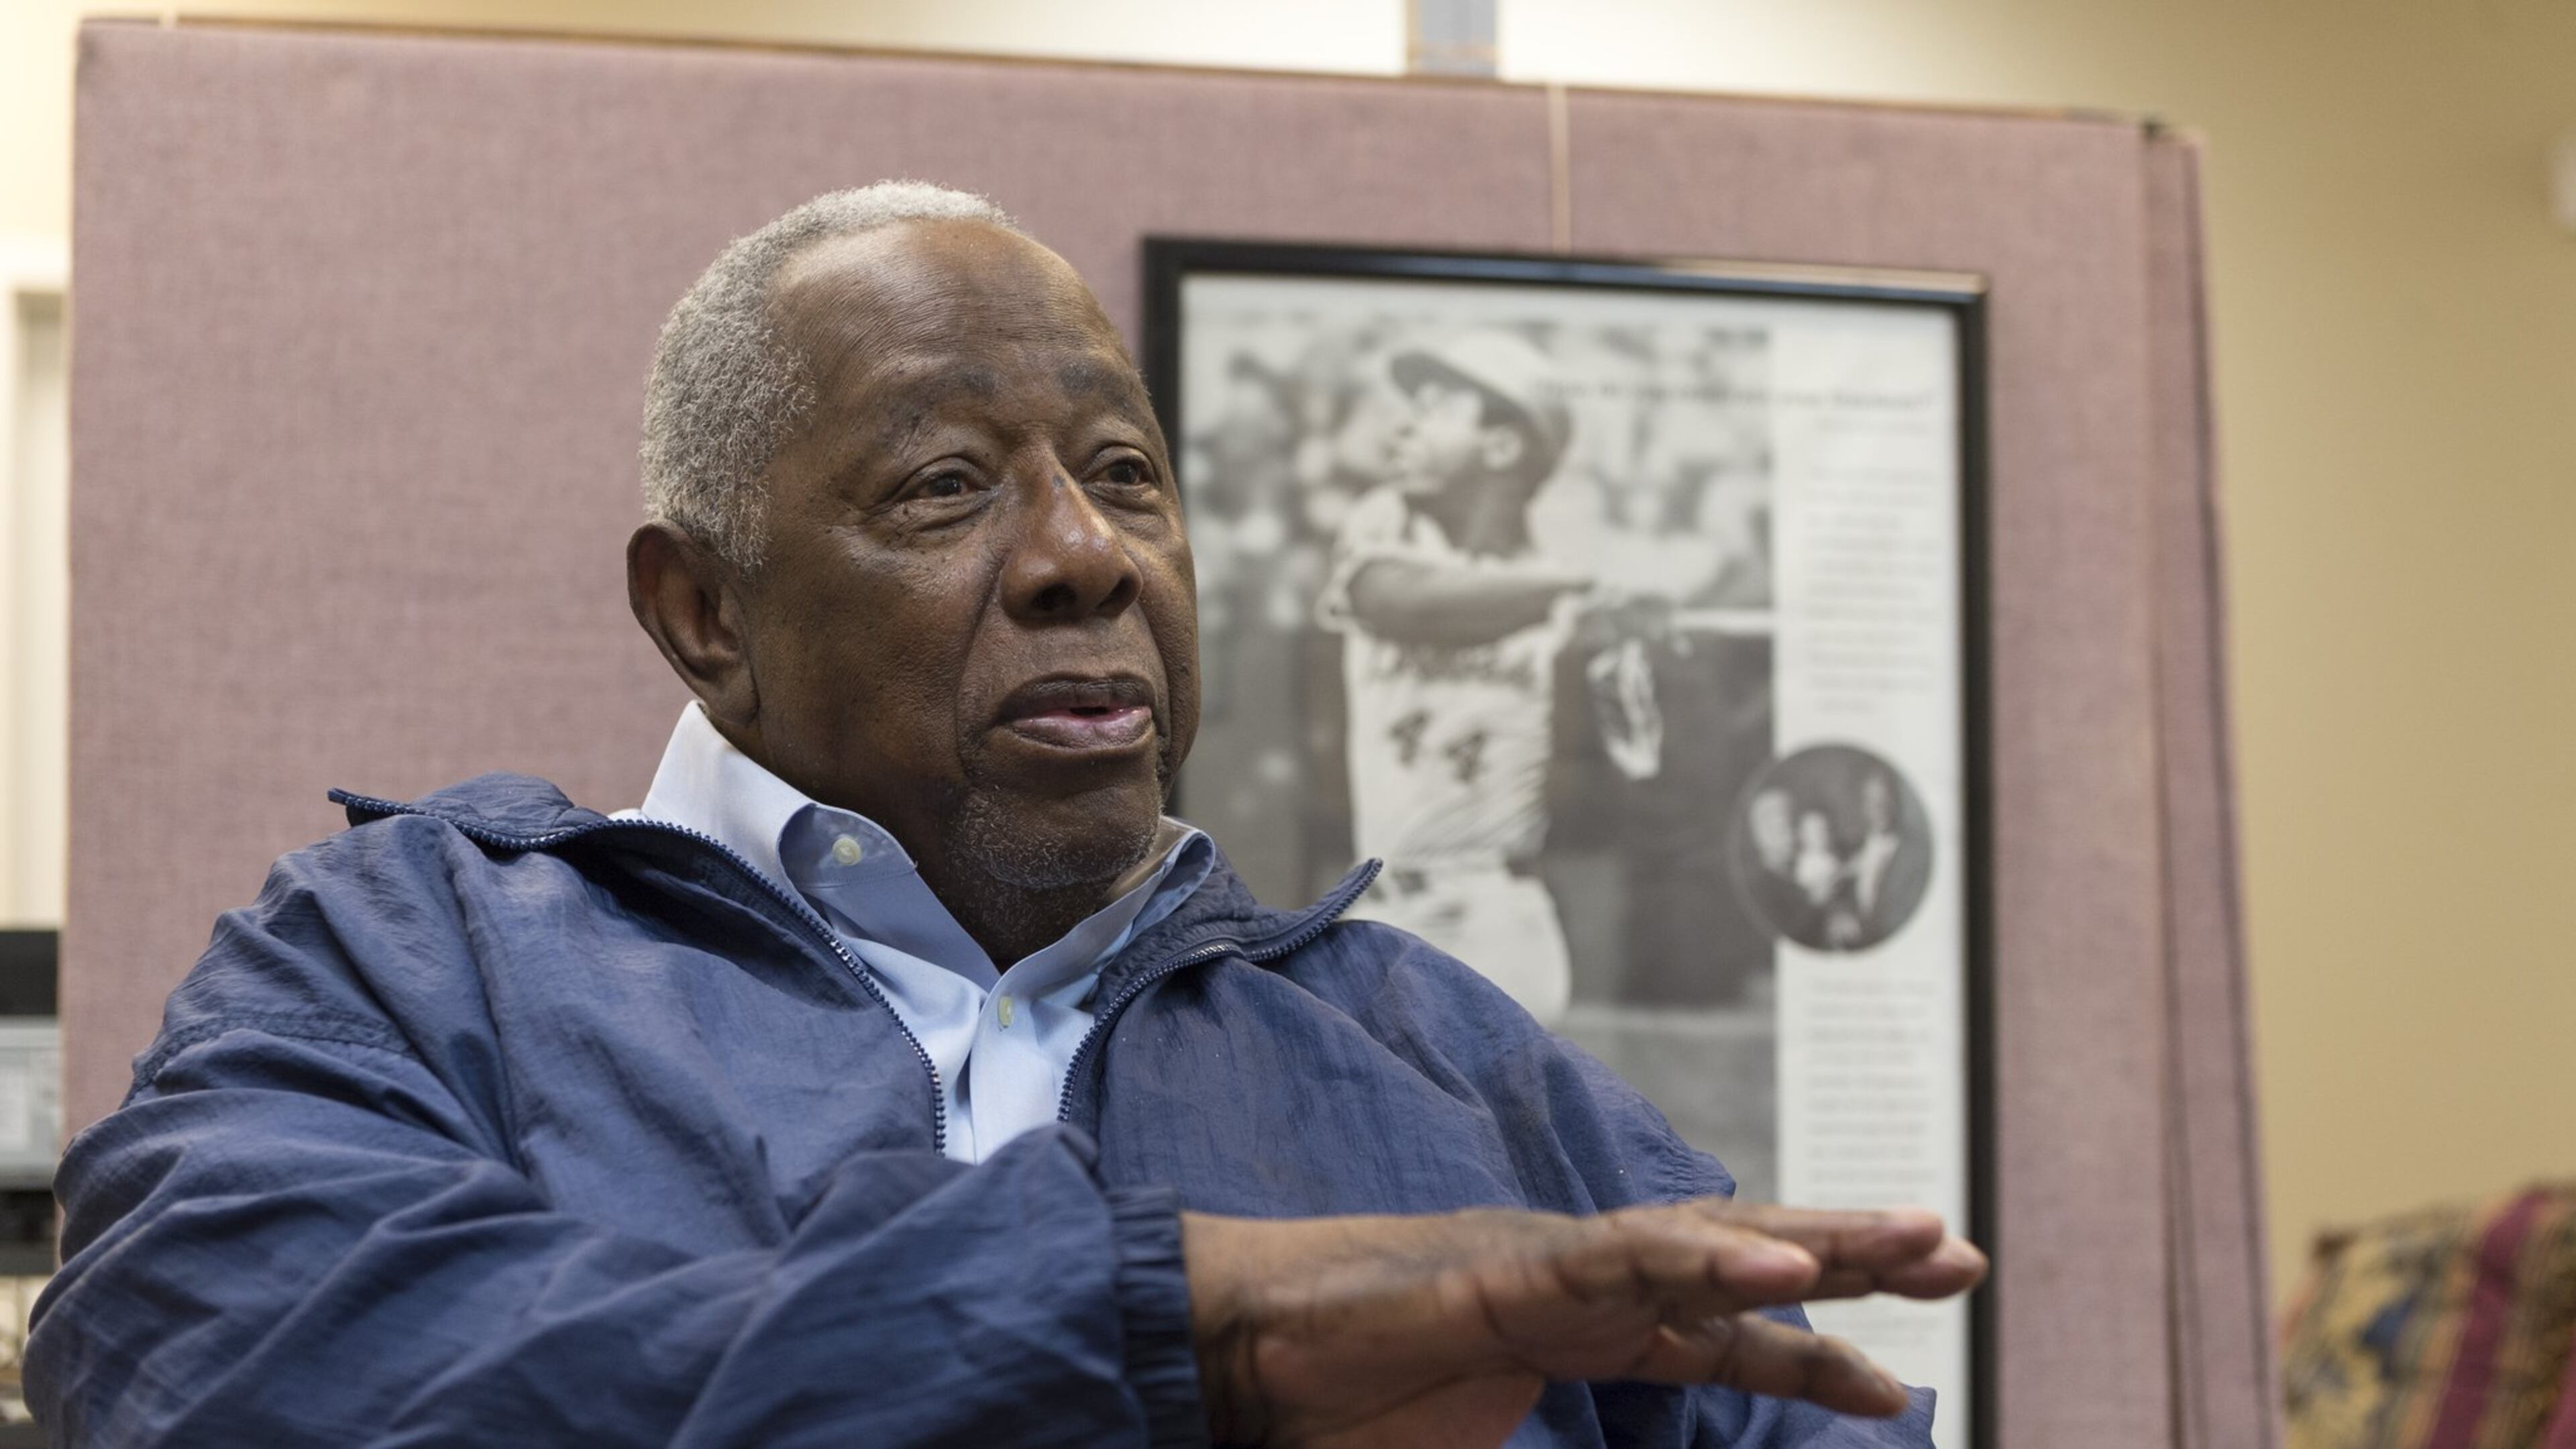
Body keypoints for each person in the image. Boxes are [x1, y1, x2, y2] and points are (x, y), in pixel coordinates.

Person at [25, 183, 1982, 1447]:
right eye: (946, 487)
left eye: (1124, 475)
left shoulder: (1439, 1060)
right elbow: (213, 1365)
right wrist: (1184, 1329)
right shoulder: (416, 957)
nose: (1082, 553)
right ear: (704, 613)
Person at [1318, 329, 1595, 1021]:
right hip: (1381, 904)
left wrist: (1629, 648)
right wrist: (1569, 599)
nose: (1403, 424)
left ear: (1502, 447)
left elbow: (1599, 763)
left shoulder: (1562, 565)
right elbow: (1396, 601)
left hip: (1496, 913)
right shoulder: (1388, 524)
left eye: (1439, 408)